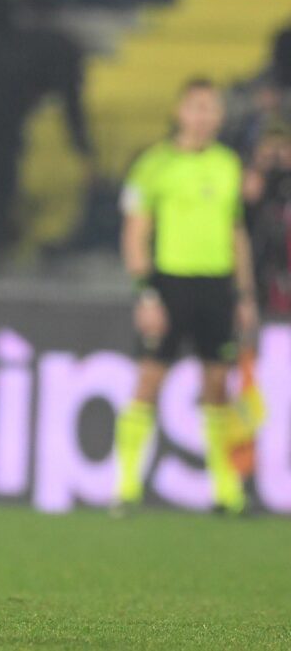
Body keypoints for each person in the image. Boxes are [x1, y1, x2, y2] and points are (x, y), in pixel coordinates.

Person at [113, 79, 258, 516]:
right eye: (196, 107)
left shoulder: (228, 164)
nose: (204, 116)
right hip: (170, 283)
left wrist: (245, 293)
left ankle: (225, 491)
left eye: (211, 108)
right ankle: (125, 487)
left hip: (216, 285)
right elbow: (135, 234)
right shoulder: (154, 165)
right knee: (149, 380)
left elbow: (237, 234)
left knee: (217, 385)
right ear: (180, 111)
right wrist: (146, 294)